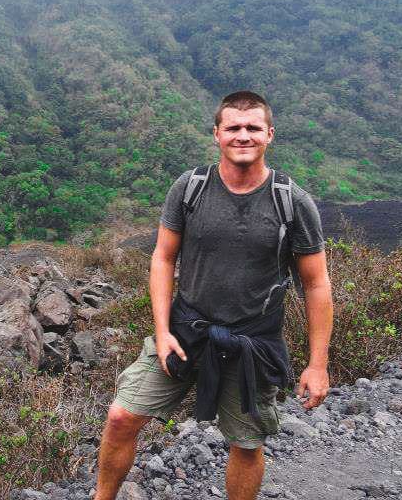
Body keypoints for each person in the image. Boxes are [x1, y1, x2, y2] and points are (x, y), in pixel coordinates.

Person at [94, 91, 333, 500]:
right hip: (188, 329)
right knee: (121, 416)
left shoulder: (292, 201)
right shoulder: (190, 188)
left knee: (246, 443)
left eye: (253, 128)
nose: (244, 136)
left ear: (269, 134)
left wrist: (317, 364)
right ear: (217, 134)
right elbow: (163, 258)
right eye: (234, 128)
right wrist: (163, 329)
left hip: (252, 341)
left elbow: (316, 284)